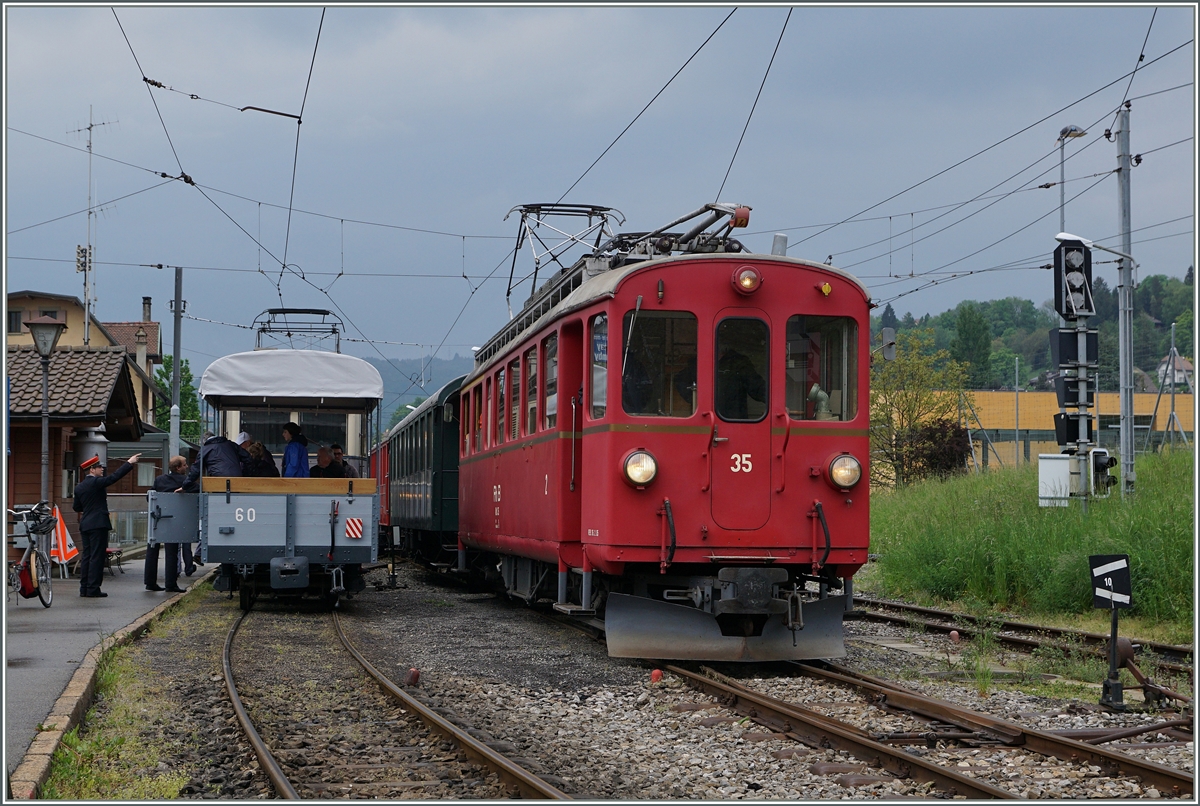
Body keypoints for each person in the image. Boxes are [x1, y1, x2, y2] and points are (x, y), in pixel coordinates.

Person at [73, 452, 141, 598]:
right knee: (97, 557)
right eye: (99, 467)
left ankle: (84, 587)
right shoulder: (96, 482)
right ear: (92, 470)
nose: (102, 469)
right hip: (98, 524)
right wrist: (129, 462)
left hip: (85, 524)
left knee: (87, 556)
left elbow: (76, 507)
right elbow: (113, 478)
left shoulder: (79, 487)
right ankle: (93, 588)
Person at [144, 456, 189, 593]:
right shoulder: (184, 481)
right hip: (173, 520)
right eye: (185, 465)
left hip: (157, 519)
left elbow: (149, 496)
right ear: (178, 467)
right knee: (171, 552)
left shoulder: (159, 480)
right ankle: (170, 583)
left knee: (152, 550)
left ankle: (150, 582)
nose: (187, 467)